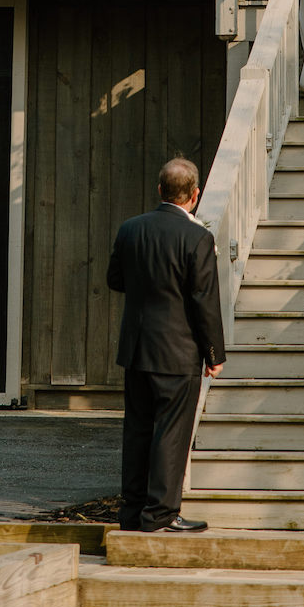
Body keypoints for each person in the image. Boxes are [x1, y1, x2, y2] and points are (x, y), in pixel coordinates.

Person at [106, 157, 225, 533]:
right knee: (171, 434)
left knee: (138, 430)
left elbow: (115, 280)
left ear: (160, 190)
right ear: (194, 195)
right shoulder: (197, 238)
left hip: (137, 349)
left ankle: (132, 513)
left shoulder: (130, 229)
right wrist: (213, 353)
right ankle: (160, 515)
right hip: (177, 352)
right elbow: (204, 300)